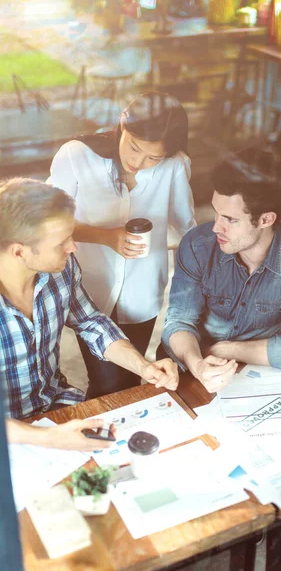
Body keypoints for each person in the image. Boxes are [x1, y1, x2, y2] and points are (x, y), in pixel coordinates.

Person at [0, 178, 178, 451]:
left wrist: (143, 366)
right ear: (19, 252)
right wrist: (47, 438)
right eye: (61, 242)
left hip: (57, 404)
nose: (73, 247)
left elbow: (91, 322)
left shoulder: (61, 267)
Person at [48, 91, 195, 399]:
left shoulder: (176, 166)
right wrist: (105, 237)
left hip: (143, 292)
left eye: (153, 158)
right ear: (122, 125)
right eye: (134, 147)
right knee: (106, 385)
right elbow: (46, 223)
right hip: (90, 291)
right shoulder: (76, 155)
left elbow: (185, 227)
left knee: (128, 383)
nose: (138, 163)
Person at [161, 147, 281, 393]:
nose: (216, 228)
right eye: (217, 213)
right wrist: (198, 364)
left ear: (266, 220)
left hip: (257, 370)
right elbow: (178, 321)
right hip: (190, 364)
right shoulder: (197, 246)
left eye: (230, 219)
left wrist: (222, 350)